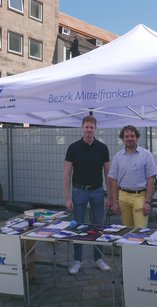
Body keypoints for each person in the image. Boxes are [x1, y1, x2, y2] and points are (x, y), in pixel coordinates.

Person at [63, 115, 111, 275]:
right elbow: (67, 174)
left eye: (91, 127)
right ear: (82, 128)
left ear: (95, 128)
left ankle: (98, 259)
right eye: (86, 127)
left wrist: (109, 196)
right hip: (79, 192)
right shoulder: (73, 148)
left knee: (98, 226)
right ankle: (78, 260)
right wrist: (67, 198)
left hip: (97, 191)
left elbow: (108, 173)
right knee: (78, 226)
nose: (89, 130)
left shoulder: (102, 148)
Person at [108, 125, 157, 228]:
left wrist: (148, 202)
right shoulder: (118, 156)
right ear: (122, 139)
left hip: (140, 197)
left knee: (140, 231)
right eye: (126, 136)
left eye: (132, 136)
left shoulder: (146, 155)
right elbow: (113, 180)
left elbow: (150, 179)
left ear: (137, 137)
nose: (129, 138)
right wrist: (114, 202)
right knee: (127, 231)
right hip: (123, 197)